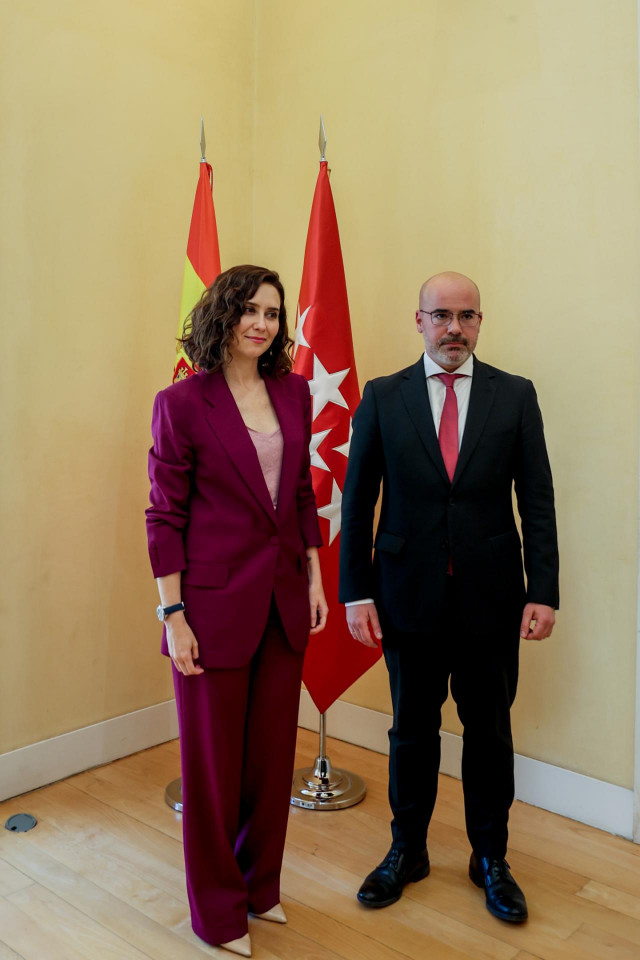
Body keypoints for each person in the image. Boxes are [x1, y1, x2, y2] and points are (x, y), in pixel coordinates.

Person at [339, 271, 558, 923]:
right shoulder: (382, 397)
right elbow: (357, 506)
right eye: (441, 315)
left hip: (493, 600)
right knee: (411, 731)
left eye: (467, 316)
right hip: (408, 597)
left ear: (480, 322)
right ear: (419, 321)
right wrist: (356, 593)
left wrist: (542, 590)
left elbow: (537, 501)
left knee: (489, 733)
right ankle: (407, 851)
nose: (454, 327)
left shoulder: (514, 396)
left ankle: (491, 857)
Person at [146, 264, 327, 957]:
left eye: (273, 313)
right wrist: (174, 615)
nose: (262, 323)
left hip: (284, 599)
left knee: (270, 760)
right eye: (250, 309)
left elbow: (302, 498)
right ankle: (218, 914)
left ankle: (260, 888)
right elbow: (165, 515)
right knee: (213, 770)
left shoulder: (295, 391)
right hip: (211, 608)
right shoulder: (182, 403)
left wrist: (313, 577)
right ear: (222, 313)